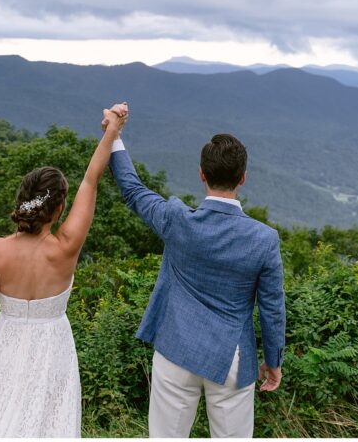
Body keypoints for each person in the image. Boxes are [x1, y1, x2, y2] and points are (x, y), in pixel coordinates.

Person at [0, 105, 128, 437]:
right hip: (52, 347)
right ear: (58, 208)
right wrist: (112, 131)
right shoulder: (65, 248)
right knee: (46, 424)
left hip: (4, 344)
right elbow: (90, 180)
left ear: (21, 202)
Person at [108, 122, 285, 438]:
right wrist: (274, 362)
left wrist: (114, 137)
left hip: (176, 348)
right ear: (242, 178)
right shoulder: (264, 239)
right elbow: (272, 311)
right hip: (232, 357)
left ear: (202, 174)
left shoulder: (177, 221)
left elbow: (132, 190)